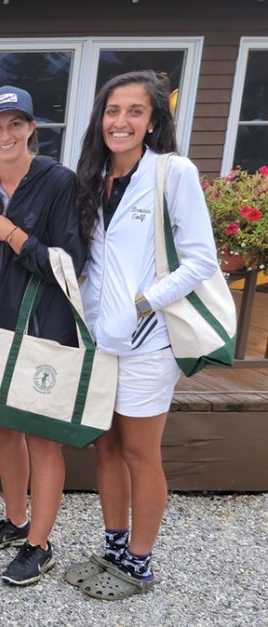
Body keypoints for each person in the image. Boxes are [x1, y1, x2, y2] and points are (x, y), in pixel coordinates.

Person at [67, 70, 218, 599]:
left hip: (147, 342)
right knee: (104, 448)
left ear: (153, 120)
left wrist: (143, 302)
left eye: (134, 111)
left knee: (139, 453)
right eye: (113, 111)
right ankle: (112, 546)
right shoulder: (92, 176)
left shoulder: (171, 172)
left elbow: (201, 259)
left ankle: (139, 560)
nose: (121, 121)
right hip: (97, 341)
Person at [0, 86, 87, 586]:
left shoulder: (59, 182)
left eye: (16, 124)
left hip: (43, 333)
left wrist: (13, 234)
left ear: (32, 128)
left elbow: (70, 265)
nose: (6, 134)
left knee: (42, 438)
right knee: (5, 429)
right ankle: (15, 520)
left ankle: (40, 542)